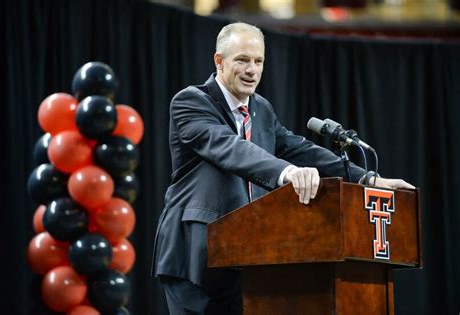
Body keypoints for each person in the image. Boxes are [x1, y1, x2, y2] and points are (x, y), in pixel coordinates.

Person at [151, 22, 414, 315]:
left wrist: (368, 178)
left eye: (258, 61)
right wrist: (286, 173)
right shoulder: (190, 102)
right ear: (219, 61)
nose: (252, 70)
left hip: (250, 259)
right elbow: (229, 148)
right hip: (195, 257)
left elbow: (299, 148)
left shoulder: (261, 109)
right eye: (242, 60)